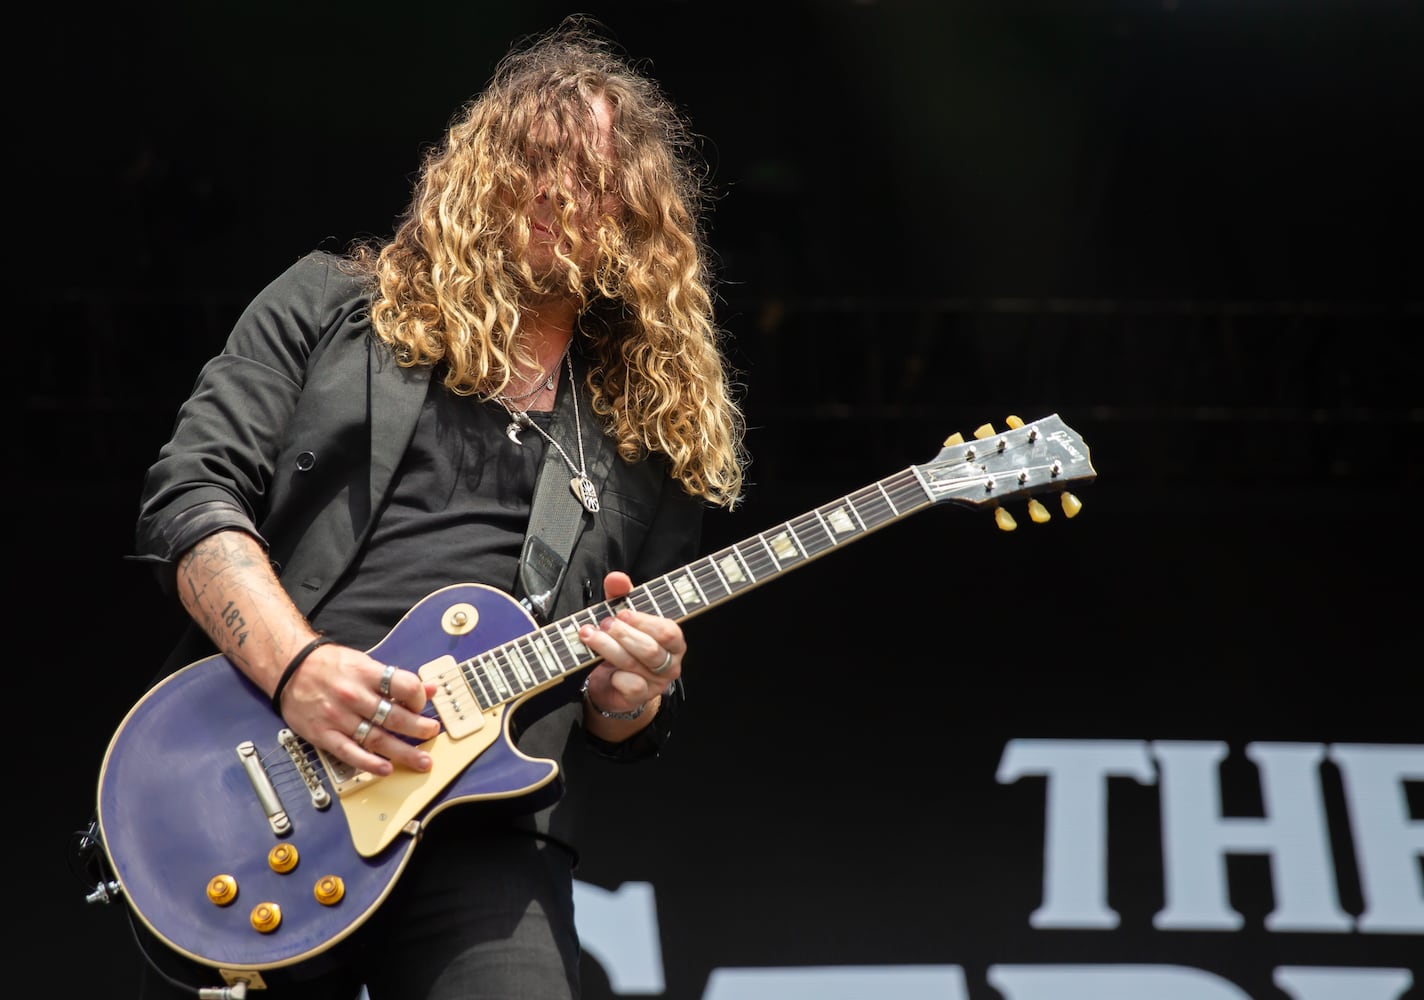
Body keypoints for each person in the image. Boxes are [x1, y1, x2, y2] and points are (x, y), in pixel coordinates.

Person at [119, 15, 747, 999]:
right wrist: (298, 670)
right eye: (538, 160)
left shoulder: (640, 436)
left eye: (592, 176)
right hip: (265, 772)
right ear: (478, 174)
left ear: (634, 213)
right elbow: (189, 497)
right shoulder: (329, 308)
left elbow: (617, 714)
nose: (559, 192)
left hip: (485, 830)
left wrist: (634, 694)